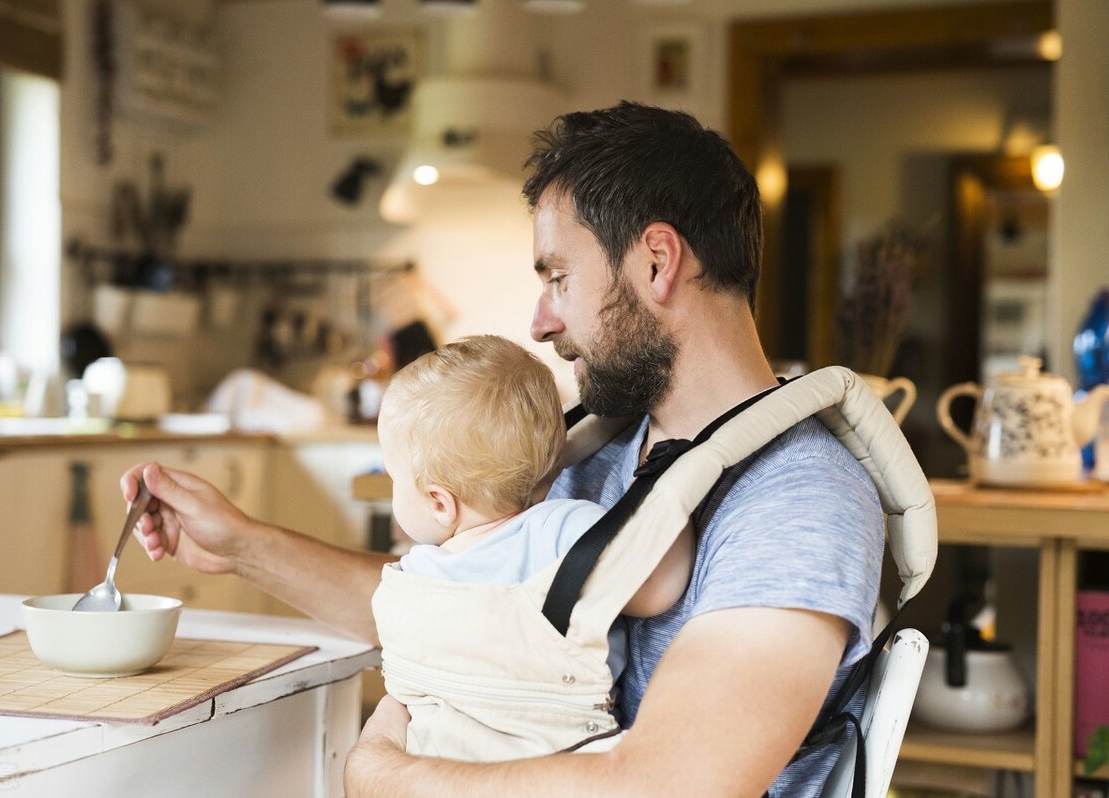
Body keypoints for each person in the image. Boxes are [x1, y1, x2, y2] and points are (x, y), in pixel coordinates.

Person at [122, 101, 884, 796]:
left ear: (657, 261)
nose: (540, 323)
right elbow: (474, 612)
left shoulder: (797, 497)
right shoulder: (603, 447)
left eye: (558, 277)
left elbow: (672, 785)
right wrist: (244, 546)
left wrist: (390, 774)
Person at [372, 333, 690, 760]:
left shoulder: (417, 574)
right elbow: (659, 588)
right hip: (558, 762)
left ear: (439, 503)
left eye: (394, 478)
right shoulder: (563, 529)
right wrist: (671, 489)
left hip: (440, 764)